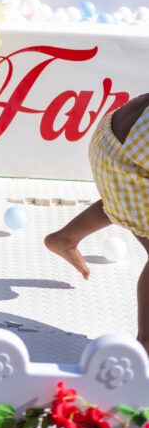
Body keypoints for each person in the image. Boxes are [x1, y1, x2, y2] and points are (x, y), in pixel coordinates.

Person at [45, 94, 149, 355]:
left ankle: (65, 238)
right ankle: (145, 346)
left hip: (109, 140)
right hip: (125, 161)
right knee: (132, 197)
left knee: (127, 199)